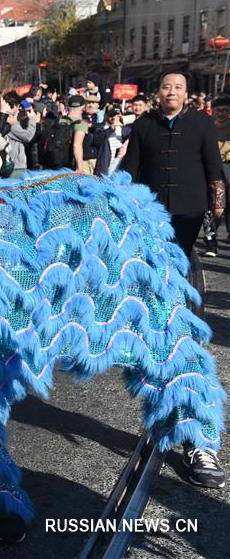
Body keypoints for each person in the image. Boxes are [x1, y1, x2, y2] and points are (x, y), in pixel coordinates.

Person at [121, 71, 226, 488]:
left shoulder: (201, 123)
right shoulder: (143, 125)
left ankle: (179, 310)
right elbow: (129, 170)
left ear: (186, 94)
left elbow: (214, 168)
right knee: (156, 273)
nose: (171, 93)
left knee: (182, 271)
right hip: (152, 212)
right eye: (166, 87)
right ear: (157, 92)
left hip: (187, 212)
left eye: (178, 88)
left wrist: (217, 210)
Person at [201, 95, 230, 256]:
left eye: (225, 110)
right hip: (212, 172)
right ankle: (211, 241)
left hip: (228, 169)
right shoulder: (207, 127)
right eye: (218, 110)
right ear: (212, 111)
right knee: (212, 209)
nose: (221, 113)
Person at [2, 92, 37, 178]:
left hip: (13, 165)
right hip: (15, 166)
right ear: (13, 105)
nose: (18, 109)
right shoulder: (10, 122)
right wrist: (32, 119)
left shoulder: (4, 120)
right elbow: (28, 136)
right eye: (18, 106)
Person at [92, 109, 130, 176]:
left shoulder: (126, 129)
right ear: (106, 116)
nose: (114, 118)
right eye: (111, 115)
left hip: (118, 166)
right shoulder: (100, 127)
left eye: (117, 116)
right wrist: (111, 128)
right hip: (104, 167)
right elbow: (97, 141)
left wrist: (123, 122)